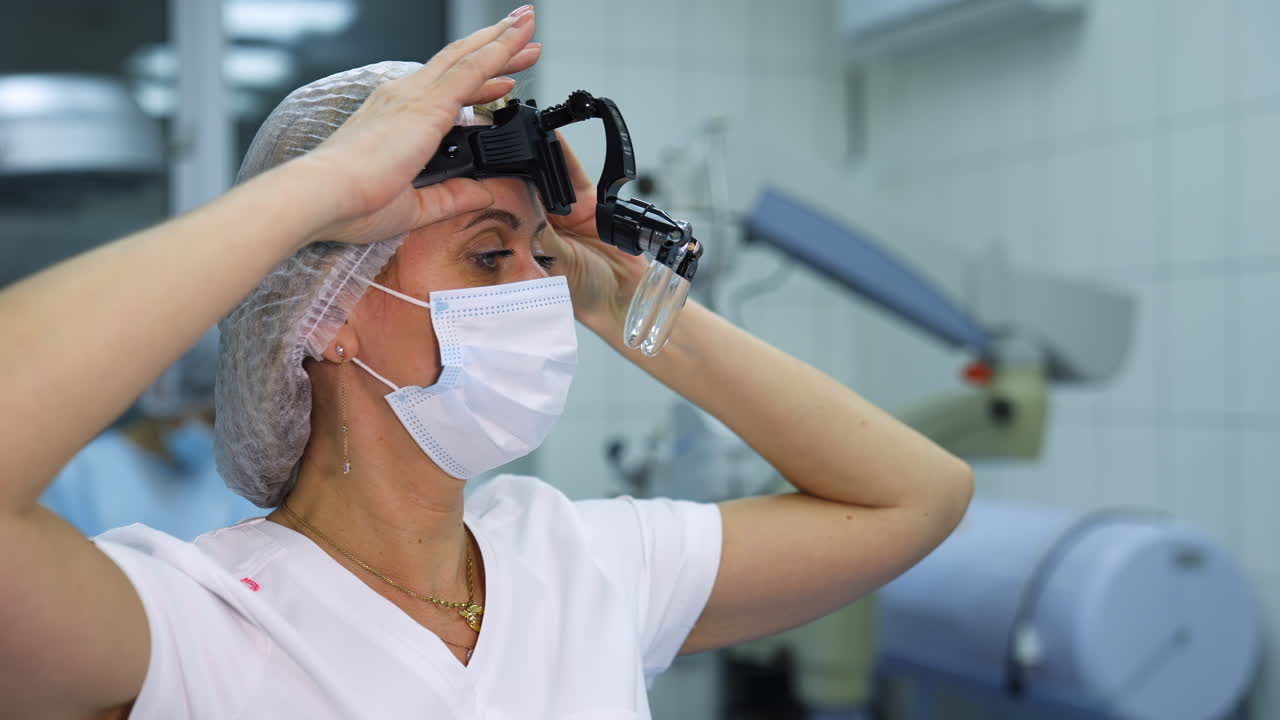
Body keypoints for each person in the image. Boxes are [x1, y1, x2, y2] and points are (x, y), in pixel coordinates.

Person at [0, 7, 973, 719]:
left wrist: (612, 293)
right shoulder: (197, 627)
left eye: (539, 256)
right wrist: (325, 189)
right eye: (488, 257)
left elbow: (916, 498)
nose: (536, 293)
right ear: (328, 318)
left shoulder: (576, 562)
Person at [41, 329, 261, 540]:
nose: (222, 433)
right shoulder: (78, 474)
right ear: (166, 400)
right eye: (211, 418)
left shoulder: (227, 477)